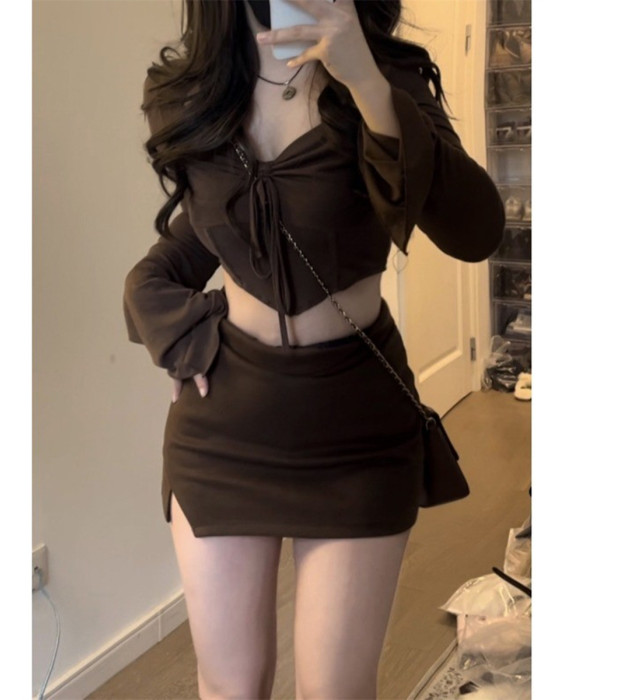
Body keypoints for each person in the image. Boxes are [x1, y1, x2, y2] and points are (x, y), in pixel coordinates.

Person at [123, 1, 505, 698]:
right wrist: (174, 330)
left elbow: (476, 231)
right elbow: (192, 243)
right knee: (228, 687)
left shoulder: (385, 75)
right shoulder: (188, 91)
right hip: (223, 433)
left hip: (356, 428)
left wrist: (365, 82)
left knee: (336, 691)